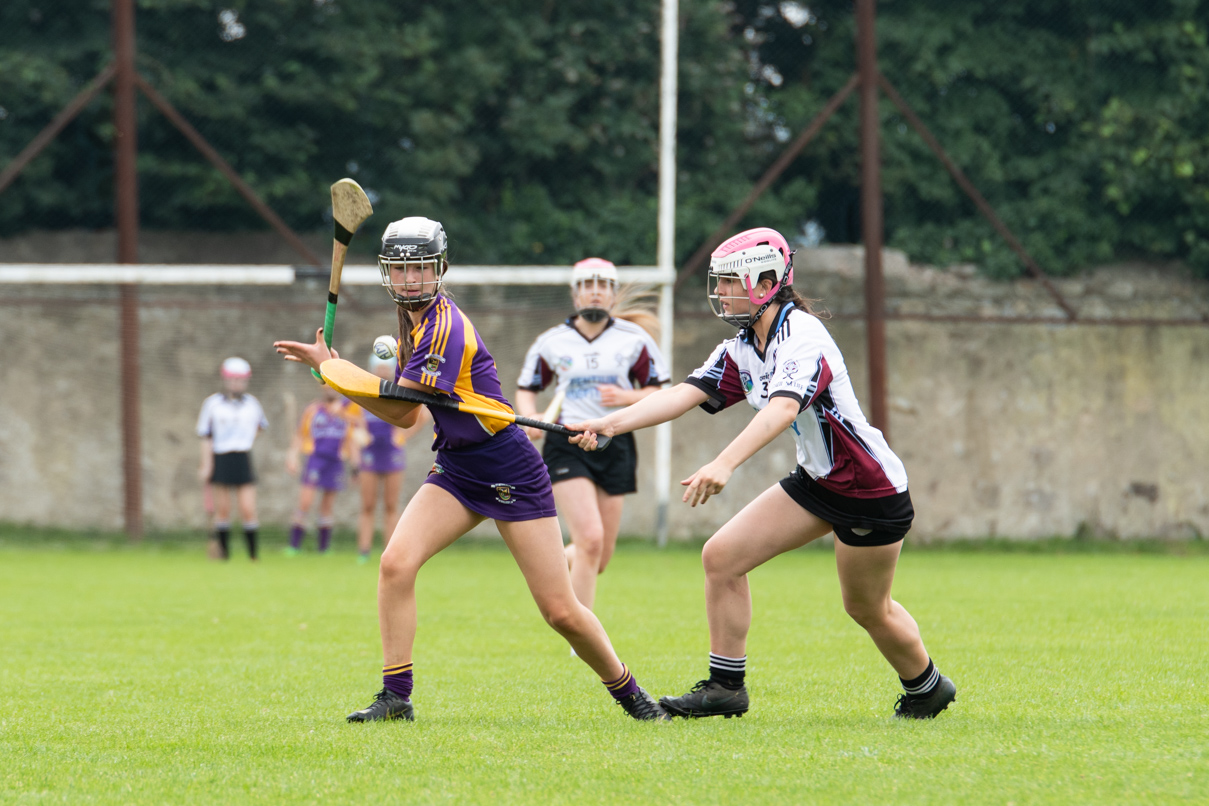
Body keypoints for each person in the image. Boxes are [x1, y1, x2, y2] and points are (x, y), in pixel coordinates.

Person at [273, 216, 668, 723]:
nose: (410, 279)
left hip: (508, 465)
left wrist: (336, 371)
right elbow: (411, 413)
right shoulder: (411, 323)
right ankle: (396, 697)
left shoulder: (444, 327)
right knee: (396, 564)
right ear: (388, 274)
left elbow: (400, 409)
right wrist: (339, 375)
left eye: (420, 269)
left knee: (560, 611)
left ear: (439, 269)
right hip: (458, 466)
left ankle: (633, 696)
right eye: (401, 269)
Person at [570, 227, 957, 720]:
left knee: (866, 608)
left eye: (730, 281)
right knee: (723, 557)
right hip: (817, 482)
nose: (722, 292)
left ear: (767, 281)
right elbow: (681, 395)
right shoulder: (743, 345)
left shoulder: (803, 337)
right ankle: (726, 688)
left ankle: (927, 687)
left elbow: (780, 410)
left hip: (868, 489)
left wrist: (722, 463)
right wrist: (609, 423)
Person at [515, 258, 668, 617]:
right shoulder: (551, 342)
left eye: (602, 285)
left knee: (597, 556)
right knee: (591, 540)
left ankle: (552, 565)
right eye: (587, 284)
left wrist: (627, 398)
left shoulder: (635, 340)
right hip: (566, 442)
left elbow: (665, 391)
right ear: (575, 294)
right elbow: (526, 389)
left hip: (615, 442)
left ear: (613, 295)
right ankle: (581, 640)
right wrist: (533, 417)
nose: (595, 291)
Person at [351, 345, 430, 565]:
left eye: (386, 367)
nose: (383, 371)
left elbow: (422, 415)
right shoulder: (365, 392)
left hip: (392, 454)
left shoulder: (398, 392)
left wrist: (403, 436)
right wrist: (359, 435)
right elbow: (352, 417)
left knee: (390, 506)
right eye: (379, 367)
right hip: (370, 453)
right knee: (367, 505)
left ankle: (389, 551)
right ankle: (363, 551)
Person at [197, 357, 268, 561]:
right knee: (223, 510)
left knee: (248, 509)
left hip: (242, 457)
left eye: (240, 379)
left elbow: (260, 427)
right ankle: (224, 555)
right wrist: (206, 464)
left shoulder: (252, 404)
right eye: (232, 379)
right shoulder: (212, 404)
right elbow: (206, 436)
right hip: (220, 457)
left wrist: (246, 439)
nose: (236, 383)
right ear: (225, 379)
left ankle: (253, 556)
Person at [285, 382, 361, 555]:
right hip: (315, 459)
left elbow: (353, 439)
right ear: (322, 388)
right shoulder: (312, 410)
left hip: (336, 461)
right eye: (328, 386)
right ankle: (294, 545)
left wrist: (356, 467)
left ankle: (323, 548)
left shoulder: (346, 413)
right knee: (305, 502)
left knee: (327, 506)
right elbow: (300, 435)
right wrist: (292, 456)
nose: (331, 390)